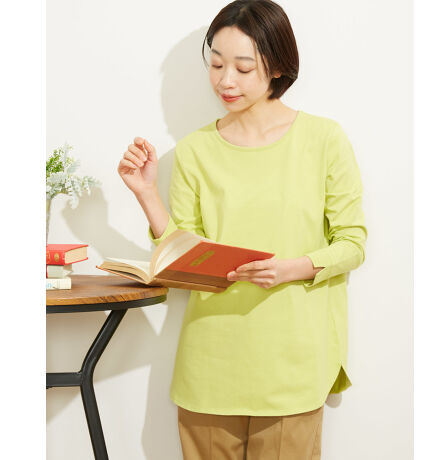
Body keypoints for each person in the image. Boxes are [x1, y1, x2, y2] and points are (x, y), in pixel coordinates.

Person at [117, 1, 367, 458]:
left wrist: (294, 267)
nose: (225, 81)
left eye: (243, 67)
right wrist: (147, 194)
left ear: (278, 66)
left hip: (292, 365)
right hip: (210, 367)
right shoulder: (194, 151)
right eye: (216, 65)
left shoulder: (324, 140)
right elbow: (183, 261)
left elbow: (352, 243)